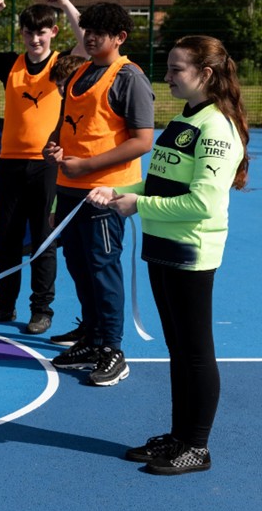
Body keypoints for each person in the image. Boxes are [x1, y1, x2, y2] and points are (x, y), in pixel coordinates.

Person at [87, 35, 248, 475]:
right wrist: (121, 190)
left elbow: (204, 204)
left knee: (195, 351)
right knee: (179, 348)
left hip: (190, 250)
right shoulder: (184, 118)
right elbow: (159, 181)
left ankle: (197, 446)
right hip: (163, 247)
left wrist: (136, 206)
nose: (168, 76)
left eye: (177, 69)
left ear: (206, 75)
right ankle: (179, 437)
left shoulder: (217, 127)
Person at [0, 0, 86, 335]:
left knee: (43, 240)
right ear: (22, 35)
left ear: (53, 32)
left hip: (46, 167)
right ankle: (4, 305)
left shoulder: (63, 64)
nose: (35, 38)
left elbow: (87, 44)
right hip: (10, 165)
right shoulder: (11, 65)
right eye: (29, 32)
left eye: (41, 32)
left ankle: (41, 309)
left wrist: (66, 5)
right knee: (8, 239)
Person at [43, 2, 154, 386]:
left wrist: (87, 167)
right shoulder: (80, 73)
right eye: (86, 30)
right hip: (70, 190)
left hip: (105, 194)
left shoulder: (129, 78)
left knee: (103, 268)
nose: (89, 37)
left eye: (98, 33)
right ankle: (91, 336)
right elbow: (67, 123)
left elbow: (142, 141)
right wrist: (54, 146)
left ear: (120, 38)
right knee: (79, 265)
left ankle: (113, 349)